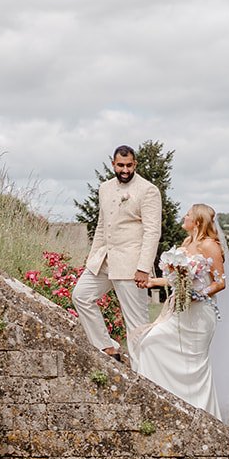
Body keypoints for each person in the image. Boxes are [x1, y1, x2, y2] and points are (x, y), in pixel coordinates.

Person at [128, 203, 229, 422]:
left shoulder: (210, 246)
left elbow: (220, 283)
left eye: (187, 214)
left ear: (197, 221)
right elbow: (175, 280)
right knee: (150, 343)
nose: (183, 217)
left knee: (195, 368)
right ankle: (164, 408)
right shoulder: (187, 243)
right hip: (180, 312)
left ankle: (204, 420)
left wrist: (199, 294)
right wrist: (152, 282)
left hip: (200, 315)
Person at [74, 145, 160, 360]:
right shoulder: (104, 187)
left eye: (129, 165)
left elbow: (152, 232)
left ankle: (144, 374)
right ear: (113, 164)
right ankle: (106, 347)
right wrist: (93, 257)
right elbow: (102, 225)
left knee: (137, 324)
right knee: (81, 296)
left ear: (135, 164)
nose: (124, 170)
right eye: (120, 165)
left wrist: (143, 268)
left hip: (131, 265)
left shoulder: (148, 190)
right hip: (103, 260)